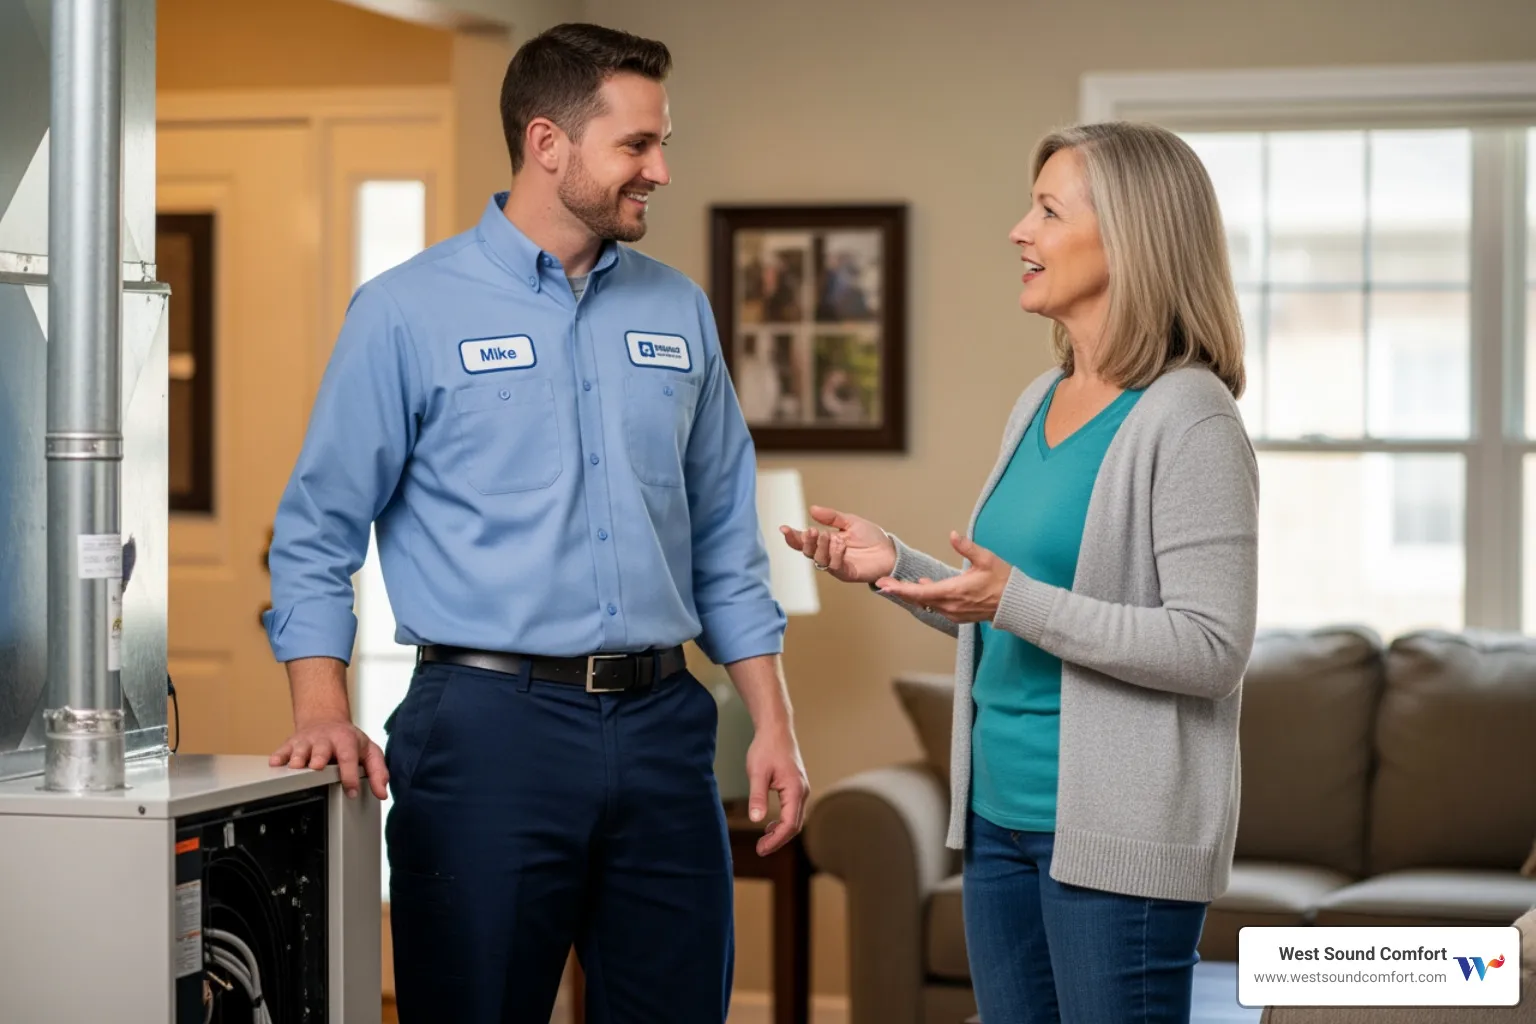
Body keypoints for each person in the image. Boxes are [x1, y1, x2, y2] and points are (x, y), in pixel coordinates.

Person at [261, 23, 809, 1024]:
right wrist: (318, 705)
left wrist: (772, 719)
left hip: (662, 727)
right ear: (548, 142)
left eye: (661, 142)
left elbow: (727, 535)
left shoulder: (678, 310)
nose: (662, 169)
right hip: (485, 731)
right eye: (637, 145)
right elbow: (316, 531)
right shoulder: (404, 311)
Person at [782, 122, 1258, 1024]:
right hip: (998, 824)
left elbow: (1212, 648)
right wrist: (899, 567)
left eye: (1047, 208)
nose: (1018, 230)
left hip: (1117, 846)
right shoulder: (1038, 399)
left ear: (1130, 237)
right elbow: (1008, 604)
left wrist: (1014, 599)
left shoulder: (1191, 420)